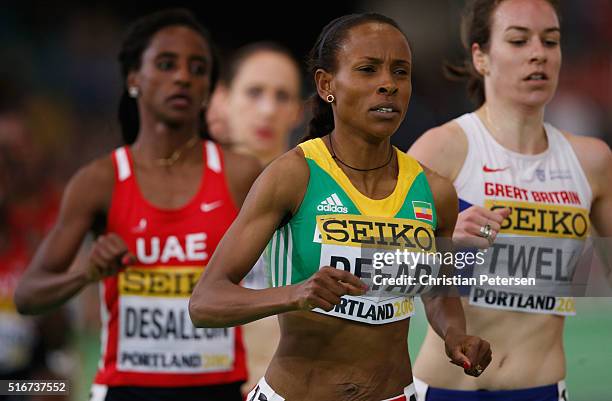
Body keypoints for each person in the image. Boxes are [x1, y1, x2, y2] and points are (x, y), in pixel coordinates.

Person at [189, 13, 492, 401]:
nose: (388, 84)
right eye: (368, 70)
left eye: (401, 72)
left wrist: (455, 335)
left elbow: (437, 290)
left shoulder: (434, 191)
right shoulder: (293, 175)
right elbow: (206, 301)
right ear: (326, 84)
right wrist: (296, 293)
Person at [14, 9, 261, 401]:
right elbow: (28, 295)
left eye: (198, 69)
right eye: (166, 64)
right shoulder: (100, 181)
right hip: (126, 389)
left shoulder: (242, 174)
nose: (183, 76)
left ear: (208, 89)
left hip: (219, 387)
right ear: (134, 78)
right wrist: (86, 274)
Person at [408, 0, 612, 400]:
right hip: (446, 389)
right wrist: (448, 246)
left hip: (540, 387)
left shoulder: (592, 161)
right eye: (518, 40)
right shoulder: (441, 150)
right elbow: (377, 270)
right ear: (481, 57)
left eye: (550, 42)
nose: (538, 53)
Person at [221, 41, 304, 392]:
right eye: (254, 92)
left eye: (282, 96)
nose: (268, 109)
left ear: (299, 110)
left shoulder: (326, 197)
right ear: (221, 99)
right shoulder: (179, 195)